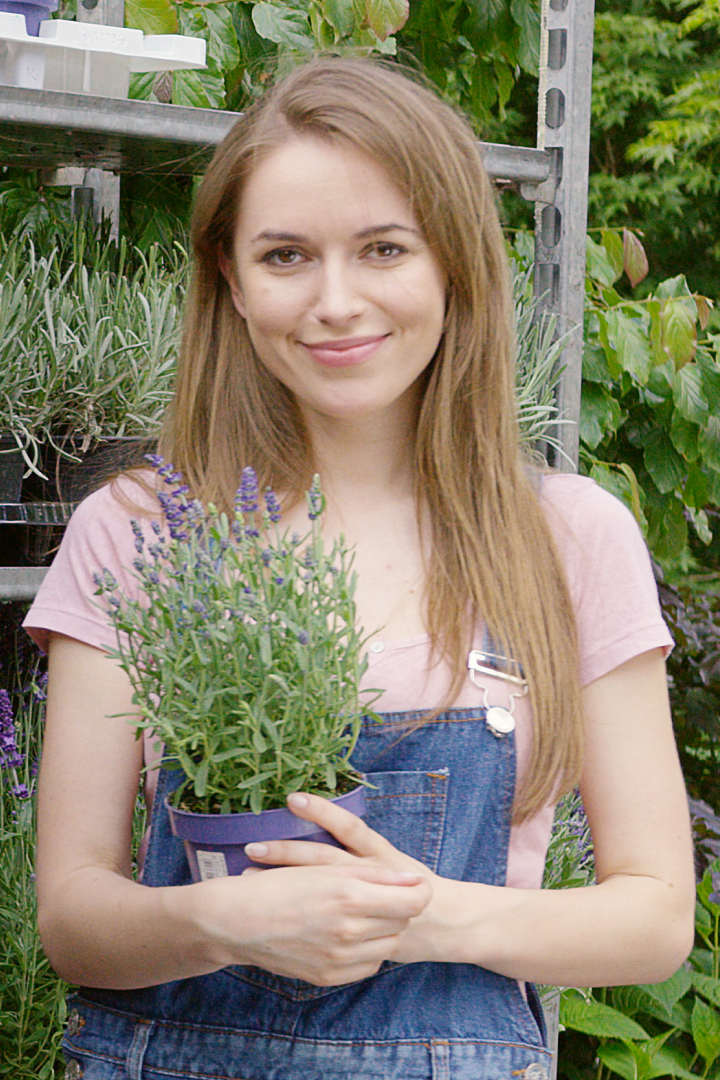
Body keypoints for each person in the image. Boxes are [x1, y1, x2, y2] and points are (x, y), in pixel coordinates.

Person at [26, 56, 695, 1080]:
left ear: (453, 268)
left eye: (384, 248)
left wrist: (420, 917)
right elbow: (73, 919)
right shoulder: (140, 533)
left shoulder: (566, 538)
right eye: (286, 255)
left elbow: (652, 917)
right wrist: (223, 921)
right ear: (232, 284)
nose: (336, 301)